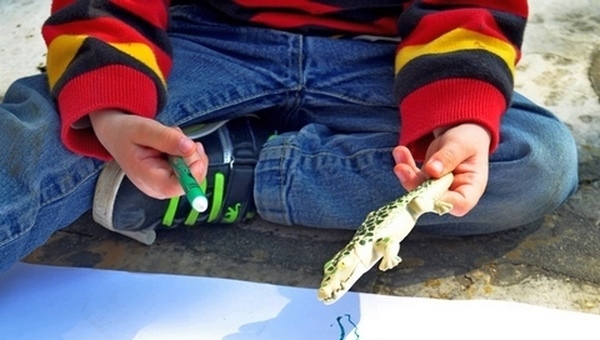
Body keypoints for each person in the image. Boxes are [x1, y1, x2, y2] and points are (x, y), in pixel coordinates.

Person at [0, 1, 578, 268]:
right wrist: (111, 109)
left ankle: (237, 170)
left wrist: (459, 113)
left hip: (381, 57)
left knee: (531, 160)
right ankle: (176, 153)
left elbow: (470, 8)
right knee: (34, 131)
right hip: (201, 39)